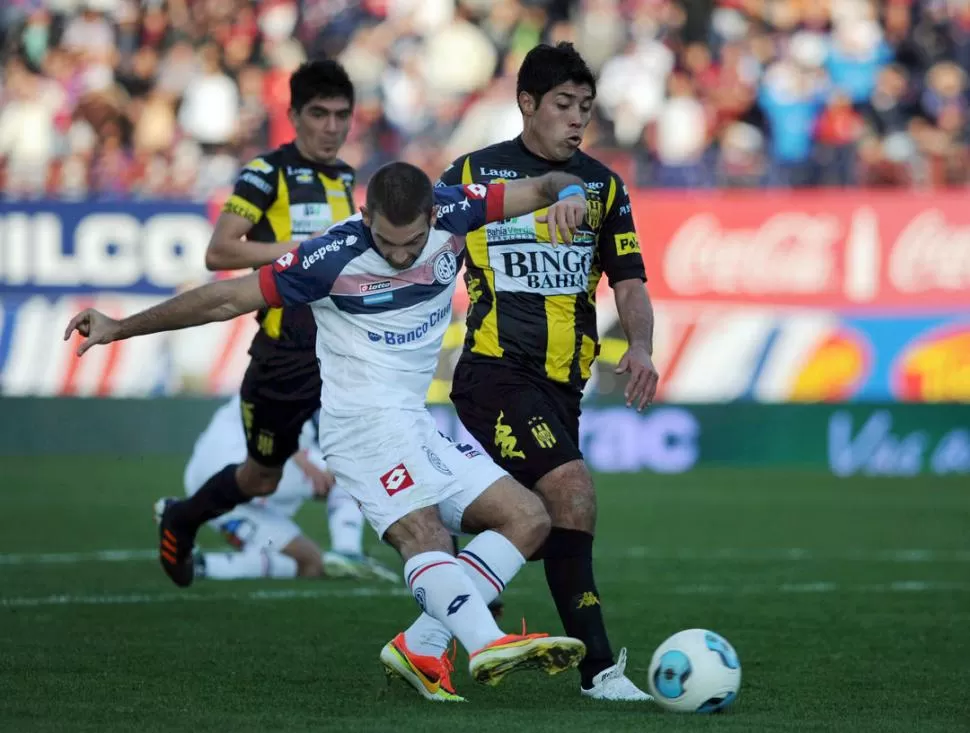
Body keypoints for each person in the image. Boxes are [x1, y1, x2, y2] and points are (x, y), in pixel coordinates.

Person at [65, 162, 593, 700]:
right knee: (425, 534)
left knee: (528, 518)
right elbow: (224, 298)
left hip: (414, 423)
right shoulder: (330, 255)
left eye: (412, 243)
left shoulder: (459, 209)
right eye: (386, 242)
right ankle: (486, 643)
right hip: (360, 428)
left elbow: (548, 184)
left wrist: (571, 194)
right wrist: (119, 327)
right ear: (365, 216)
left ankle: (423, 647)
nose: (399, 257)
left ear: (434, 215)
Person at [436, 42, 661, 701]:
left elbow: (630, 282)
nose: (576, 119)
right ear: (527, 103)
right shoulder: (473, 173)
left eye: (585, 108)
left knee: (536, 523)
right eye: (563, 105)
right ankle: (600, 671)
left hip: (565, 386)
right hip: (494, 373)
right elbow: (425, 254)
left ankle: (441, 557)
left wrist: (641, 345)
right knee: (573, 492)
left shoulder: (605, 185)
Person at [157, 59, 358, 587]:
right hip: (282, 354)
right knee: (261, 476)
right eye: (320, 114)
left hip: (336, 349)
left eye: (342, 115)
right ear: (294, 114)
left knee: (388, 442)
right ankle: (183, 517)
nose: (332, 127)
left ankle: (460, 583)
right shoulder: (266, 174)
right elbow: (219, 250)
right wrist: (298, 251)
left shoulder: (344, 177)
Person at [157, 395, 397, 582]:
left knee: (311, 564)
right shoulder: (309, 364)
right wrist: (299, 456)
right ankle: (347, 551)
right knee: (349, 471)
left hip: (207, 482)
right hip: (244, 461)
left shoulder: (284, 358)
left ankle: (202, 561)